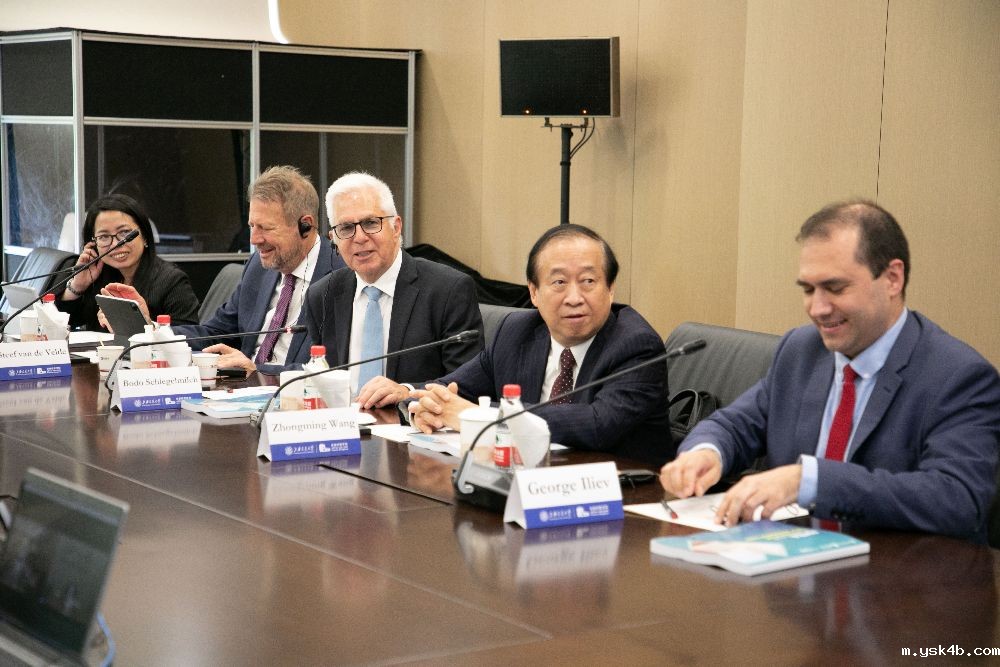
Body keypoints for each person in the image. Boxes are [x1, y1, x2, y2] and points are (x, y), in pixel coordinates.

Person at [659, 200, 1000, 542]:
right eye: (808, 290)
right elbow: (735, 424)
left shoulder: (959, 377)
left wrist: (809, 482)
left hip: (896, 569)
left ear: (892, 279)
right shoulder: (800, 350)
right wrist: (706, 452)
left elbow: (959, 499)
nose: (818, 308)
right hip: (789, 560)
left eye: (835, 288)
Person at [408, 224, 673, 466]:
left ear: (611, 288)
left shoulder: (637, 346)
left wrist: (483, 418)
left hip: (624, 493)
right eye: (559, 282)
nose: (574, 298)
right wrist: (428, 408)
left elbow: (597, 424)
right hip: (525, 483)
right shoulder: (516, 332)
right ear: (534, 292)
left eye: (588, 281)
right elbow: (449, 389)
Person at [111, 165, 345, 374]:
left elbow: (333, 368)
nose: (254, 239)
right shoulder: (258, 268)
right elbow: (215, 333)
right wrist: (153, 329)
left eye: (266, 228)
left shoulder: (342, 276)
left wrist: (258, 370)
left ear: (305, 225)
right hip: (238, 391)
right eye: (252, 226)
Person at [304, 172, 482, 408]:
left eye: (370, 223)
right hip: (341, 424)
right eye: (346, 228)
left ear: (396, 227)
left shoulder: (448, 291)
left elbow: (467, 386)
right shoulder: (322, 295)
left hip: (411, 425)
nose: (359, 237)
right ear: (333, 238)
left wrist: (407, 392)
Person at [56, 194, 199, 331]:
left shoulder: (172, 281)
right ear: (93, 244)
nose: (115, 244)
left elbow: (189, 336)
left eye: (124, 233)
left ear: (145, 236)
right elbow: (63, 324)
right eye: (104, 236)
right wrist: (78, 286)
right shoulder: (99, 275)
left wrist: (145, 325)